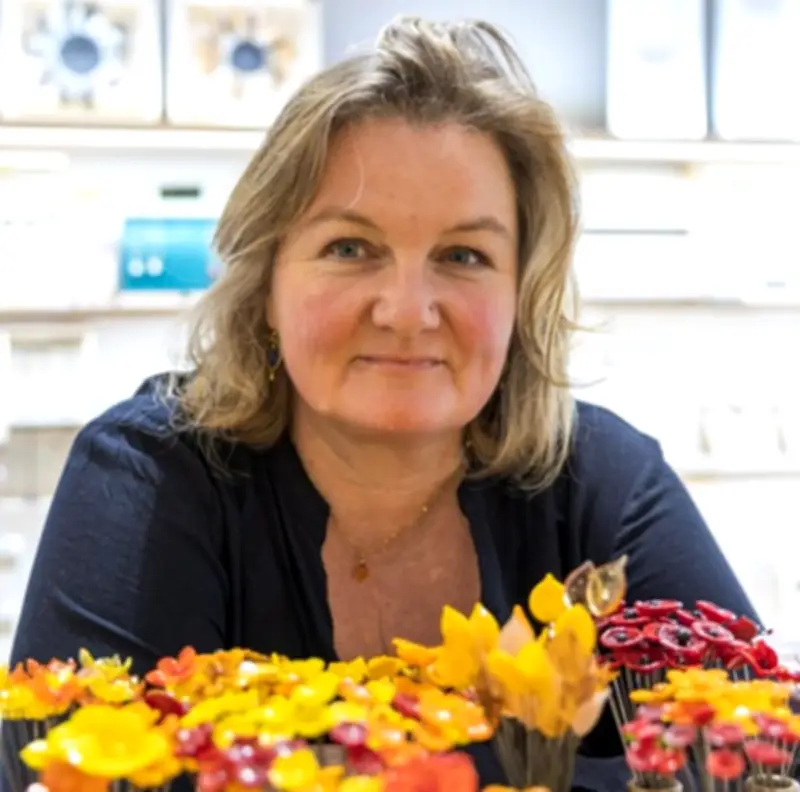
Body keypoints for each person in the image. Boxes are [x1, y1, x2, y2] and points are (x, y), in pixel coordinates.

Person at [3, 16, 756, 792]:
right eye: (350, 249)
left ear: (520, 295)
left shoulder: (602, 481)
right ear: (266, 285)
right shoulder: (149, 479)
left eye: (463, 256)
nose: (406, 310)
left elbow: (756, 748)